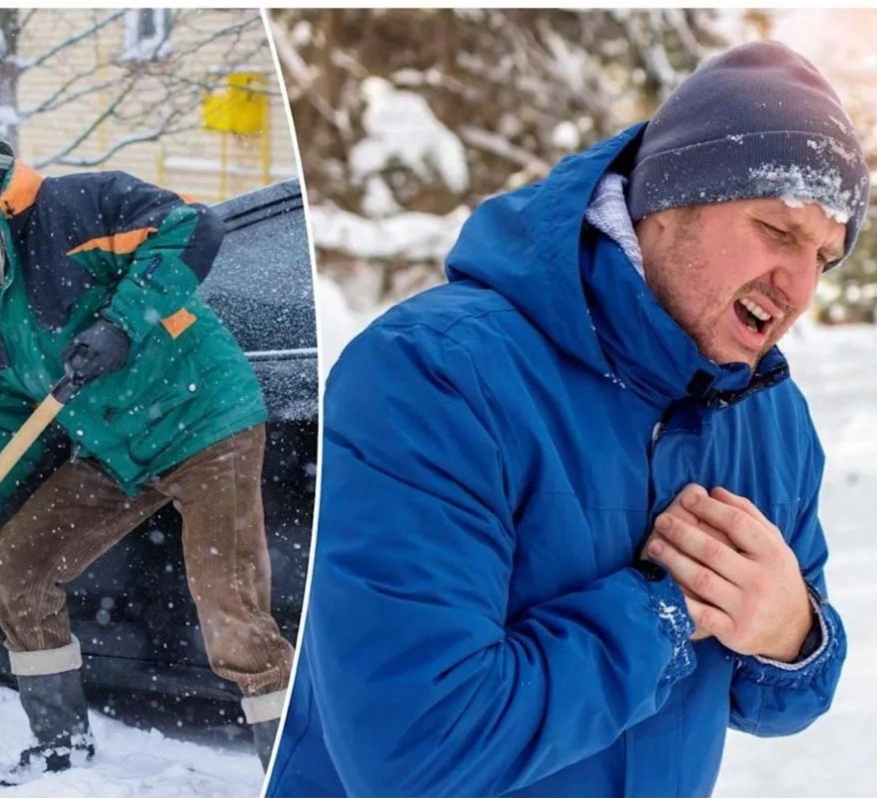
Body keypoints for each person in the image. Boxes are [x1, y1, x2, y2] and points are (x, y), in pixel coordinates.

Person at [267, 40, 867, 798]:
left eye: (824, 254)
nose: (798, 283)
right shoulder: (433, 376)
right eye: (776, 231)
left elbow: (776, 701)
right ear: (668, 201)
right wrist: (665, 612)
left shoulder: (770, 418)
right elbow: (414, 752)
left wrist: (792, 634)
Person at [0, 124, 294, 785]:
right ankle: (60, 744)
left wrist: (122, 324)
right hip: (114, 448)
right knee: (17, 564)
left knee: (229, 607)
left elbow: (191, 230)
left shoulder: (78, 206)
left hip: (202, 423)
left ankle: (294, 767)